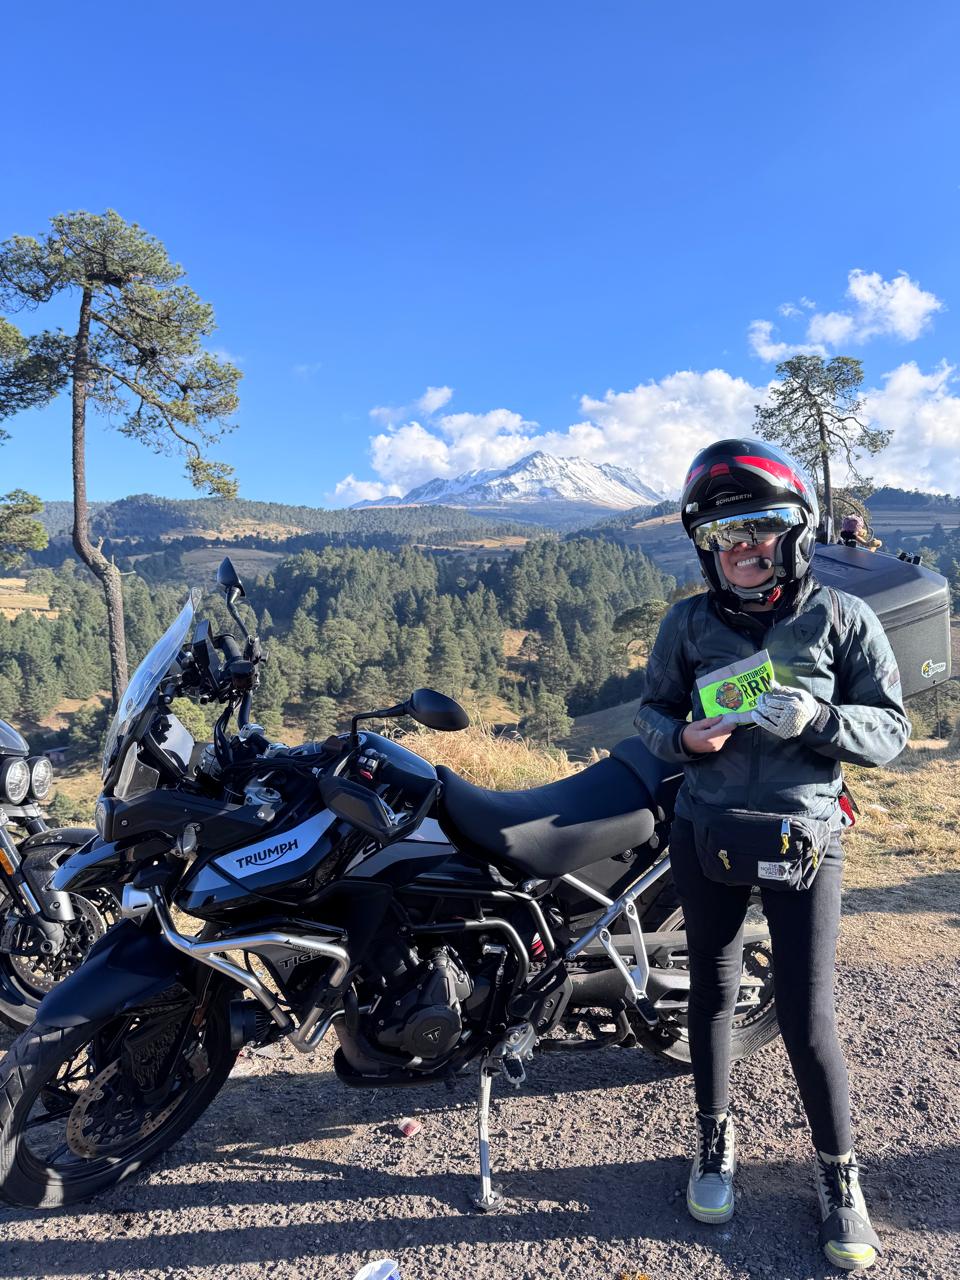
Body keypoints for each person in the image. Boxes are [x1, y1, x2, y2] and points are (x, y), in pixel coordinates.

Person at [633, 438, 909, 1272]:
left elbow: (890, 730)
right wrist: (682, 737)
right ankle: (714, 1144)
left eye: (760, 529)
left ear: (795, 534)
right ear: (705, 546)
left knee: (805, 1011)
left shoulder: (843, 618)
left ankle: (840, 1175)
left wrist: (821, 723)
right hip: (706, 832)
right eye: (724, 535)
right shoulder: (687, 622)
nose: (743, 549)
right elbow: (648, 715)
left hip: (805, 838)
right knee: (711, 998)